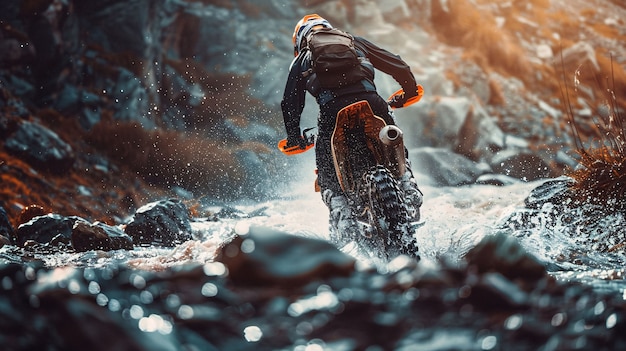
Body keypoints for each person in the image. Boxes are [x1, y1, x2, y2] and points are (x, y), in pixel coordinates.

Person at [281, 14, 423, 246]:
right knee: (393, 139)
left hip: (332, 112)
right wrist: (408, 91)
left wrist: (295, 138)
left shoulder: (303, 58)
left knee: (326, 171)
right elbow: (396, 63)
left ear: (300, 40)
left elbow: (290, 103)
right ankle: (406, 185)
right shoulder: (354, 42)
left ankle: (342, 211)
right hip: (373, 103)